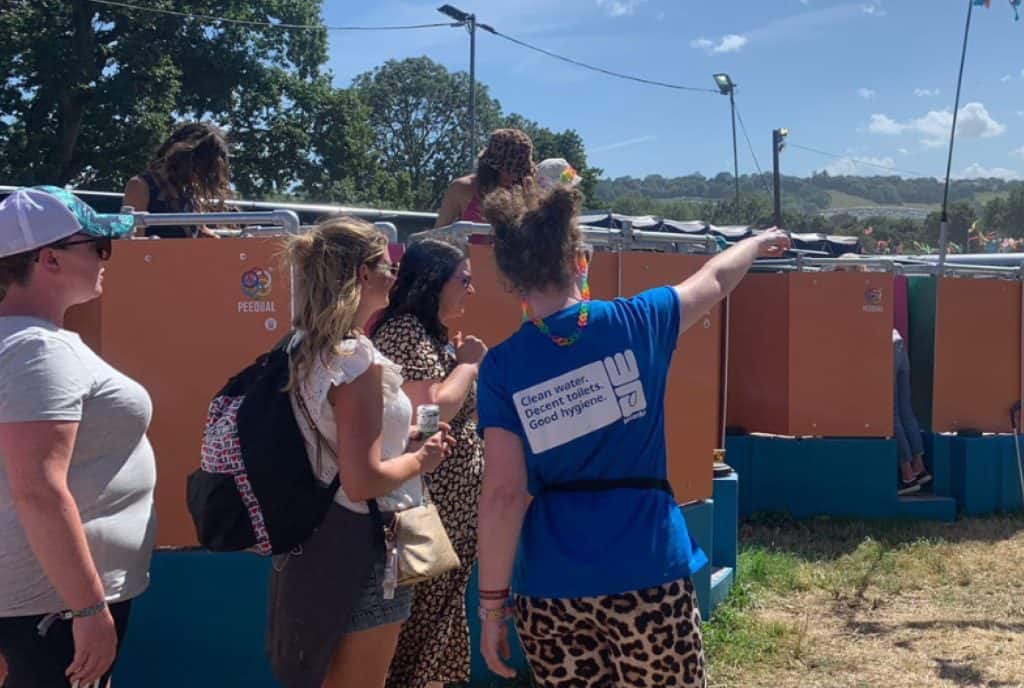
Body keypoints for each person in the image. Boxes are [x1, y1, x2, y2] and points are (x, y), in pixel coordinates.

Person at [473, 186, 790, 687]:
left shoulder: (500, 367)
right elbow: (714, 277)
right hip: (648, 571)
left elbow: (503, 495)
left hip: (551, 590)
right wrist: (756, 242)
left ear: (511, 280)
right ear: (579, 259)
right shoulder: (638, 320)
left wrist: (492, 607)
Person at [266, 217, 455, 688]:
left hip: (313, 540)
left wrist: (405, 438)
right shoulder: (356, 359)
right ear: (362, 275)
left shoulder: (303, 348)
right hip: (362, 544)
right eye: (386, 263)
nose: (395, 273)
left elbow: (337, 444)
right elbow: (363, 480)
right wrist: (423, 459)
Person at [0, 187, 156, 688]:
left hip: (42, 603)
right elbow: (39, 489)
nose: (106, 259)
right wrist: (87, 608)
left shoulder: (24, 345)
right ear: (49, 259)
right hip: (51, 607)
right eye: (98, 247)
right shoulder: (38, 351)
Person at [370, 239, 486, 688]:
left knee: (436, 621)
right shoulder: (404, 331)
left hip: (449, 512)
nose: (470, 291)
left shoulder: (425, 334)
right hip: (427, 509)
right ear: (433, 281)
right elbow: (430, 410)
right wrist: (469, 365)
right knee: (418, 625)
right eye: (465, 280)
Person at [121, 122, 231, 238]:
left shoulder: (188, 194)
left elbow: (200, 232)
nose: (199, 177)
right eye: (202, 168)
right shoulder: (139, 186)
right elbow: (132, 245)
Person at [435, 128, 536, 228]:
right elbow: (438, 235)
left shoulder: (526, 195)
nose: (512, 177)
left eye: (518, 172)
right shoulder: (462, 188)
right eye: (504, 170)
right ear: (489, 167)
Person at [893, 328, 930, 495]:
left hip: (883, 346)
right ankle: (919, 468)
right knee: (906, 413)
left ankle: (908, 476)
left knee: (891, 415)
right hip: (897, 341)